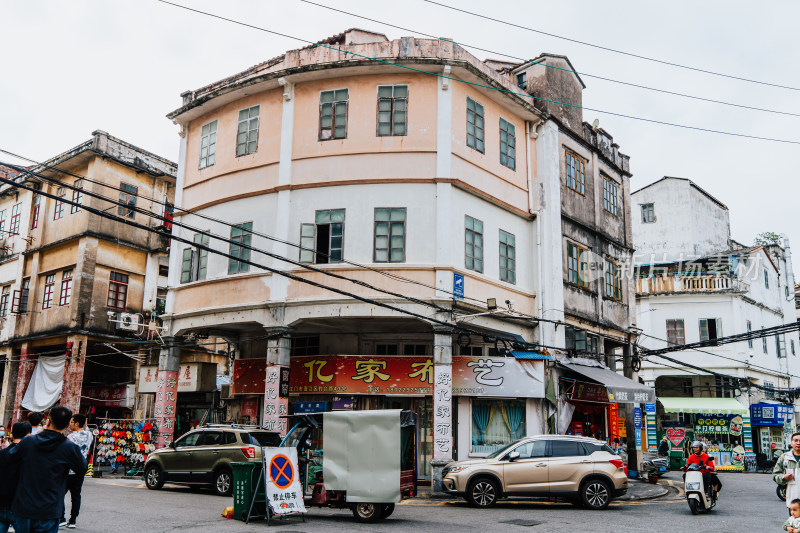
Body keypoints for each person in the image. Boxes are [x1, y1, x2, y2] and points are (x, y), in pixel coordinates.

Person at [7, 406, 86, 533]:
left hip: (24, 506)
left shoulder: (28, 441)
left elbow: (11, 458)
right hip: (49, 508)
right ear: (67, 426)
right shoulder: (69, 447)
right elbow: (82, 468)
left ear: (48, 421)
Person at [60, 414, 92, 529]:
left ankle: (61, 518)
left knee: (60, 494)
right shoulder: (89, 435)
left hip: (69, 470)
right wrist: (85, 424)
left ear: (77, 424)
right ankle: (73, 520)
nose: (70, 424)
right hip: (81, 469)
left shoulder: (71, 437)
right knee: (76, 495)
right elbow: (86, 428)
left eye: (72, 422)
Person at [0, 422, 32, 533]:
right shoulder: (30, 456)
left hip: (2, 502)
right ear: (29, 436)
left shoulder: (2, 453)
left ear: (12, 435)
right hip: (20, 505)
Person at [774, 432, 800, 515]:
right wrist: (784, 478)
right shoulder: (785, 458)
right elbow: (775, 475)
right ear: (791, 442)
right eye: (796, 440)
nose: (798, 443)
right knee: (794, 525)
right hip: (793, 501)